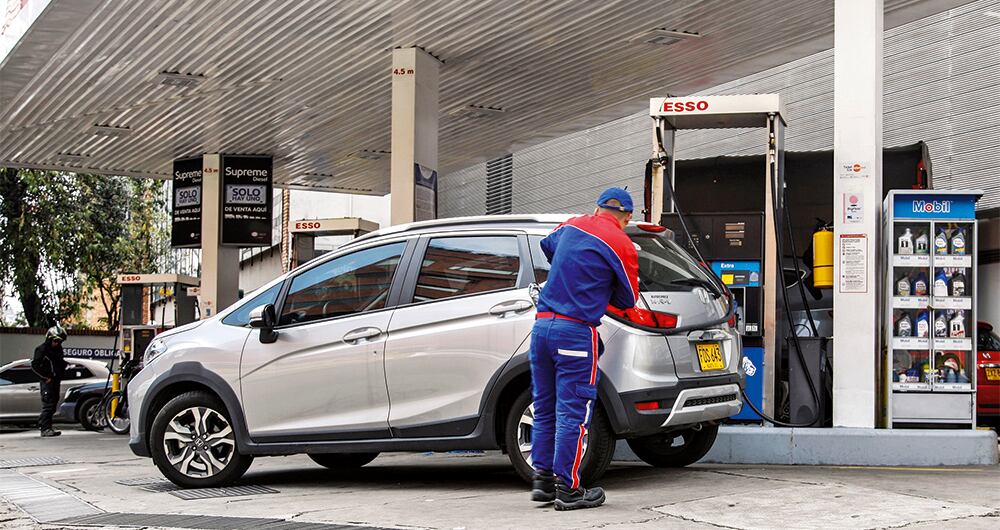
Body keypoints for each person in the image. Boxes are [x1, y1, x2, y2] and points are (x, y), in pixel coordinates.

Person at [529, 187, 639, 510]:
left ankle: (543, 481)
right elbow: (628, 300)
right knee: (573, 413)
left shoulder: (571, 225)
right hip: (575, 334)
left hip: (541, 328)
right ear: (627, 217)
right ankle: (569, 489)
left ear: (597, 208)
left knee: (544, 406)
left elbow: (547, 246)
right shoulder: (623, 245)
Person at [31, 324, 68, 437]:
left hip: (56, 380)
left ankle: (46, 425)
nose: (57, 343)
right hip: (47, 381)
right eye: (56, 340)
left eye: (60, 341)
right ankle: (45, 428)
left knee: (53, 404)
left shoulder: (58, 350)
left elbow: (59, 363)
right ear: (49, 338)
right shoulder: (41, 349)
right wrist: (45, 377)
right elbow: (35, 366)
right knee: (48, 404)